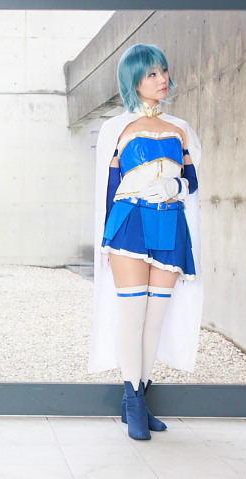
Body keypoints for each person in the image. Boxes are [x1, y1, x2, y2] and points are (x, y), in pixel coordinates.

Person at [89, 44, 202, 440]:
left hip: (170, 222)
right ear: (133, 80)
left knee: (156, 319)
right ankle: (134, 403)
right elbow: (108, 188)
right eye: (152, 73)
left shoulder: (180, 128)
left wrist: (176, 185)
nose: (162, 79)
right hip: (130, 223)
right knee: (134, 317)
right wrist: (105, 239)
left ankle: (137, 398)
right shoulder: (116, 128)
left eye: (163, 71)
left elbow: (193, 180)